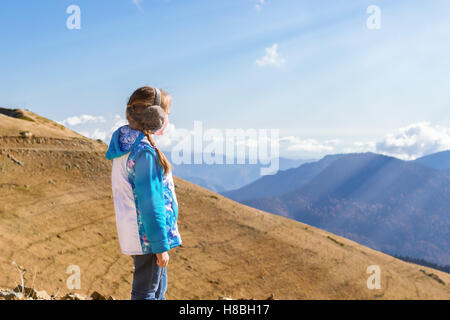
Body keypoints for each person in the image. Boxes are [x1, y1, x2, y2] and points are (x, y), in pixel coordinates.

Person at [105, 86, 181, 300]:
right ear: (156, 116)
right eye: (166, 114)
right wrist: (159, 246)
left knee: (157, 289)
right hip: (148, 237)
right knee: (146, 292)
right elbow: (151, 205)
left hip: (138, 233)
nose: (168, 119)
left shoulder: (125, 145)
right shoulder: (145, 153)